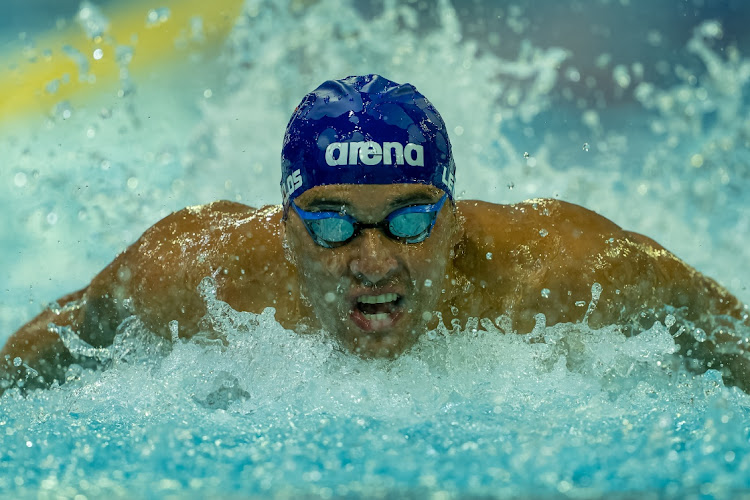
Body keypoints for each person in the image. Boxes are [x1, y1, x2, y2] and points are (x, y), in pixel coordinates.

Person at [2, 74, 748, 393]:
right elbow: (69, 333)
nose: (373, 261)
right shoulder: (197, 276)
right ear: (286, 228)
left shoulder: (567, 270)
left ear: (454, 221)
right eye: (330, 224)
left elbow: (718, 326)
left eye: (412, 221)